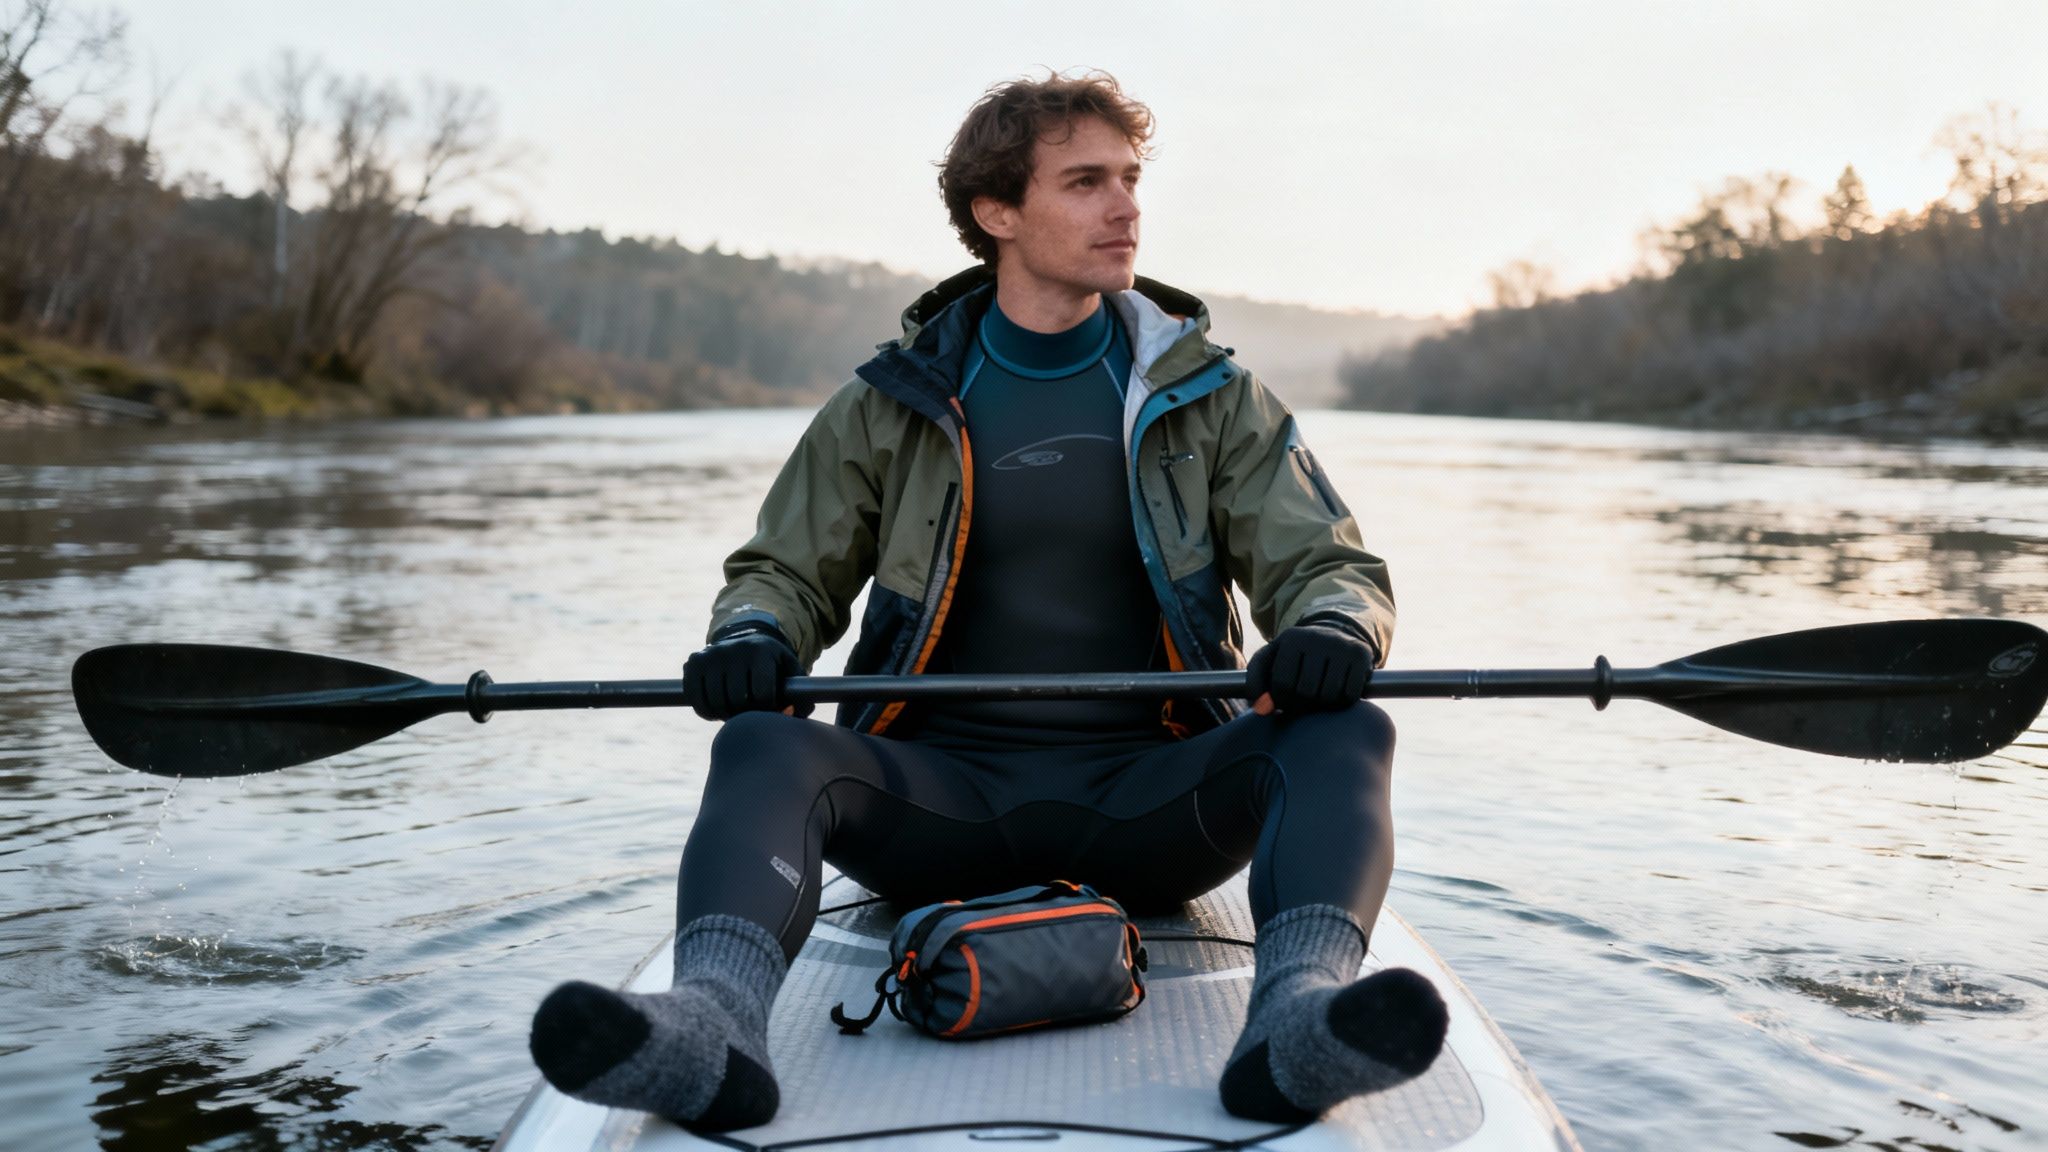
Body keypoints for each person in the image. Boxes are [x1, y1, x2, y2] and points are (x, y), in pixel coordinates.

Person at [526, 70, 1447, 1132]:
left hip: (1153, 809)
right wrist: (751, 640)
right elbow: (779, 575)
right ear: (995, 213)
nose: (1124, 206)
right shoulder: (885, 404)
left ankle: (1299, 1020)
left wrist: (1332, 628)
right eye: (1085, 182)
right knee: (760, 747)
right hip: (933, 808)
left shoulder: (1215, 397)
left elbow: (1326, 564)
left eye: (1131, 179)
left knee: (1341, 731)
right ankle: (712, 1029)